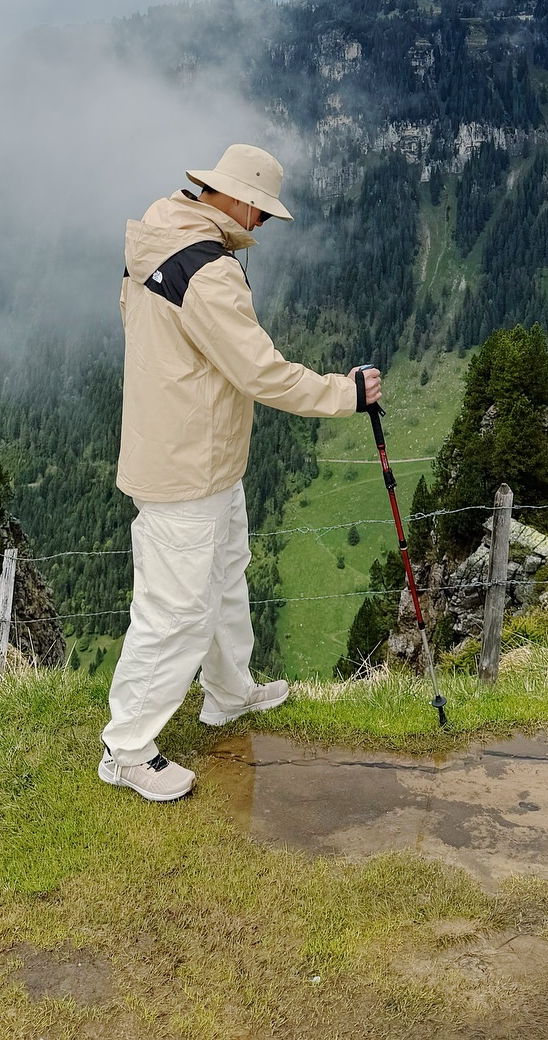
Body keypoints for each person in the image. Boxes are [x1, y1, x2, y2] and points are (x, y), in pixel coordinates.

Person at [99, 143, 381, 802]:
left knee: (225, 577)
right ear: (236, 200)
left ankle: (228, 693)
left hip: (193, 451)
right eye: (261, 215)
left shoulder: (158, 234)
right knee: (173, 611)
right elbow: (262, 372)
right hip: (188, 466)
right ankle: (127, 748)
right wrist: (348, 393)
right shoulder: (209, 271)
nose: (261, 229)